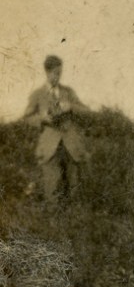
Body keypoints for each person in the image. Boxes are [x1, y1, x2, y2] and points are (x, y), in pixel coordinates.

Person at [23, 55, 90, 205]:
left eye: (59, 73)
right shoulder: (37, 95)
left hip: (71, 145)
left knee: (74, 187)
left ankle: (76, 221)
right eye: (55, 73)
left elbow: (86, 111)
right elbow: (27, 118)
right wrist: (42, 118)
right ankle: (53, 223)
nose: (57, 77)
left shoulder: (68, 92)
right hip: (49, 147)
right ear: (47, 72)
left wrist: (71, 107)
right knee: (51, 188)